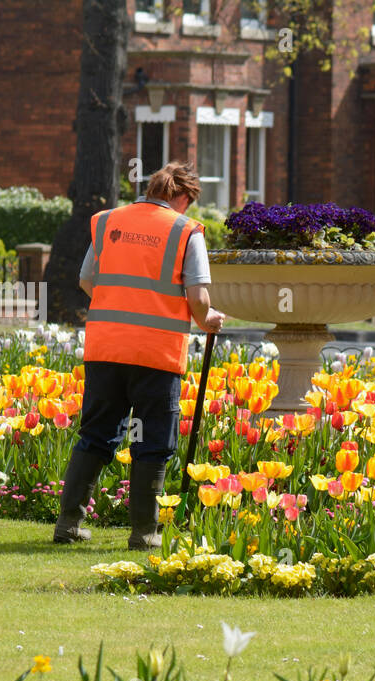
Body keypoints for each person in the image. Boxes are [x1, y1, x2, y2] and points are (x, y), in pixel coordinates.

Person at [52, 161, 225, 549]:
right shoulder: (186, 232)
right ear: (183, 196)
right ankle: (144, 533)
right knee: (153, 443)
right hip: (156, 354)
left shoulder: (108, 221)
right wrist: (208, 318)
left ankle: (68, 525)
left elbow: (86, 279)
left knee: (96, 434)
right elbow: (197, 297)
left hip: (106, 349)